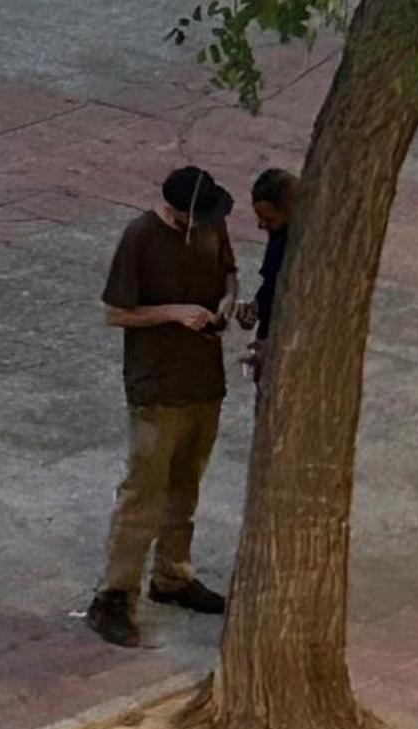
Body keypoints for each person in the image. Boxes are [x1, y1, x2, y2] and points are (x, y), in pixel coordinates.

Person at [85, 166, 236, 648]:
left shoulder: (211, 222)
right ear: (174, 211)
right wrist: (174, 312)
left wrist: (229, 303)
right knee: (143, 492)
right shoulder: (141, 238)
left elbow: (229, 272)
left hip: (204, 379)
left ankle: (173, 573)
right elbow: (115, 312)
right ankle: (114, 594)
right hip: (157, 386)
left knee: (185, 481)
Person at [235, 168, 298, 387]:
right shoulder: (280, 235)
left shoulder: (297, 247)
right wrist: (256, 306)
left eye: (268, 218)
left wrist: (274, 346)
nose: (261, 225)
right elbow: (271, 284)